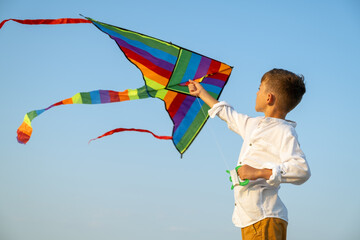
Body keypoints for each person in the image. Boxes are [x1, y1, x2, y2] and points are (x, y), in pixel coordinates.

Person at [188, 68, 311, 240]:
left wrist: (259, 172)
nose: (256, 92)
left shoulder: (284, 131)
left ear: (269, 98)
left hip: (266, 217)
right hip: (250, 218)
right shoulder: (252, 124)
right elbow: (227, 114)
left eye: (259, 88)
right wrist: (201, 92)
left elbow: (302, 170)